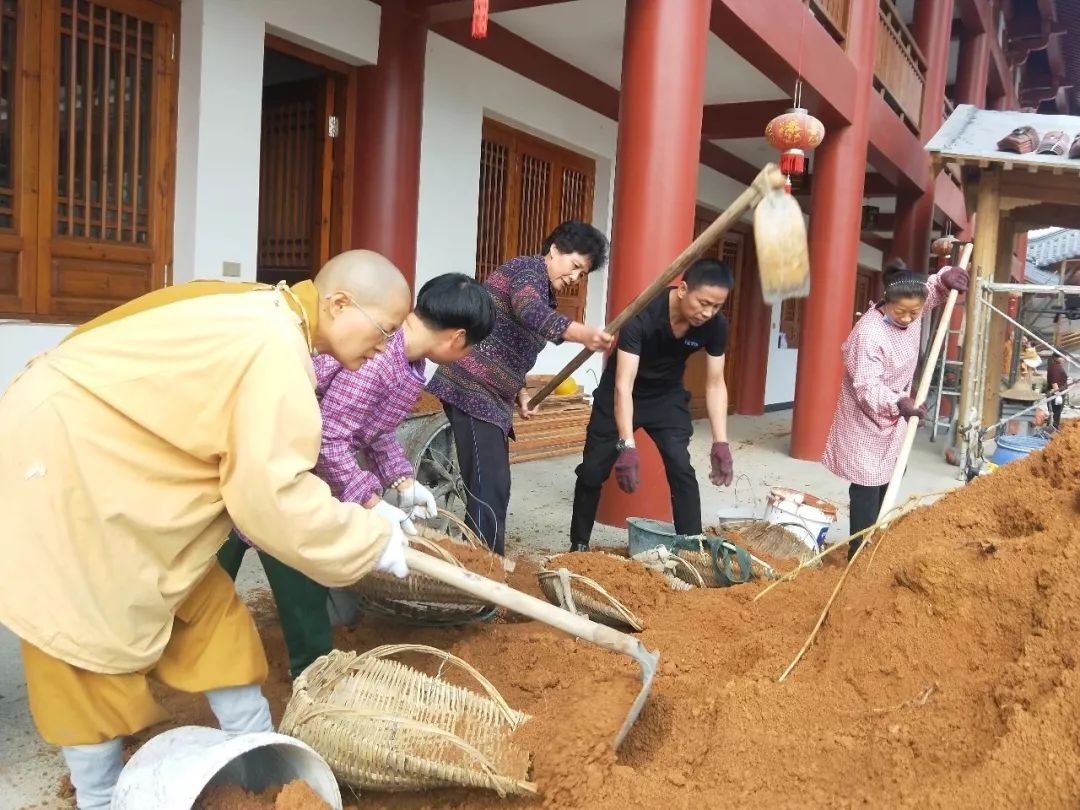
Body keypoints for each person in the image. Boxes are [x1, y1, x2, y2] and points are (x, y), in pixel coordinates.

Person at [0, 250, 417, 810]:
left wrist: (366, 517)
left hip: (125, 466)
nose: (384, 348)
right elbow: (271, 498)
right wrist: (369, 539)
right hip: (67, 465)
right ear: (340, 303)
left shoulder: (275, 314)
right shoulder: (273, 346)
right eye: (384, 329)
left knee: (203, 600)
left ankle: (260, 763)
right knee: (84, 634)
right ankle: (99, 798)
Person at [218, 273, 496, 678]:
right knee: (279, 571)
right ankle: (311, 680)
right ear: (457, 338)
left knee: (227, 565)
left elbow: (375, 430)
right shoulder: (381, 357)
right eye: (472, 348)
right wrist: (371, 502)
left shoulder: (406, 358)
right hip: (279, 472)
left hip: (287, 472)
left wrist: (403, 480)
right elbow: (330, 438)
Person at [427, 221, 614, 555]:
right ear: (554, 249)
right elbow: (529, 312)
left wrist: (522, 391)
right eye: (574, 266)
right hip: (471, 386)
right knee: (489, 489)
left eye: (582, 274)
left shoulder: (544, 289)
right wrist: (584, 333)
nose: (574, 278)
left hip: (492, 396)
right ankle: (482, 574)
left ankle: (482, 565)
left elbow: (509, 347)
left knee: (494, 487)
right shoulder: (526, 271)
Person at [569, 258, 736, 551]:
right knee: (593, 470)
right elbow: (624, 384)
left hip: (666, 396)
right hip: (621, 392)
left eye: (717, 306)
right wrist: (627, 445)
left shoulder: (715, 326)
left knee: (680, 465)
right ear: (683, 289)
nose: (708, 313)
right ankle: (579, 544)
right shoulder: (642, 312)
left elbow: (715, 383)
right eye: (704, 302)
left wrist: (721, 441)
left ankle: (691, 547)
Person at [822, 259, 969, 560]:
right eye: (899, 312)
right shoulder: (869, 334)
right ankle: (858, 551)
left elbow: (930, 290)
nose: (907, 318)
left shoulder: (913, 307)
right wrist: (898, 403)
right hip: (865, 415)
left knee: (891, 473)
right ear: (885, 303)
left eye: (914, 313)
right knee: (866, 483)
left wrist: (946, 279)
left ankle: (874, 535)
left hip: (897, 414)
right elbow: (867, 386)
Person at [1046, 353, 1069, 428]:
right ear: (1055, 358)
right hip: (1055, 394)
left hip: (1057, 392)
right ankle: (1052, 431)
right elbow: (1054, 381)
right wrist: (1057, 394)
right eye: (1061, 357)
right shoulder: (1055, 367)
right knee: (1054, 414)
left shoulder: (1057, 366)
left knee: (1056, 414)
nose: (1063, 359)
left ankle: (1052, 429)